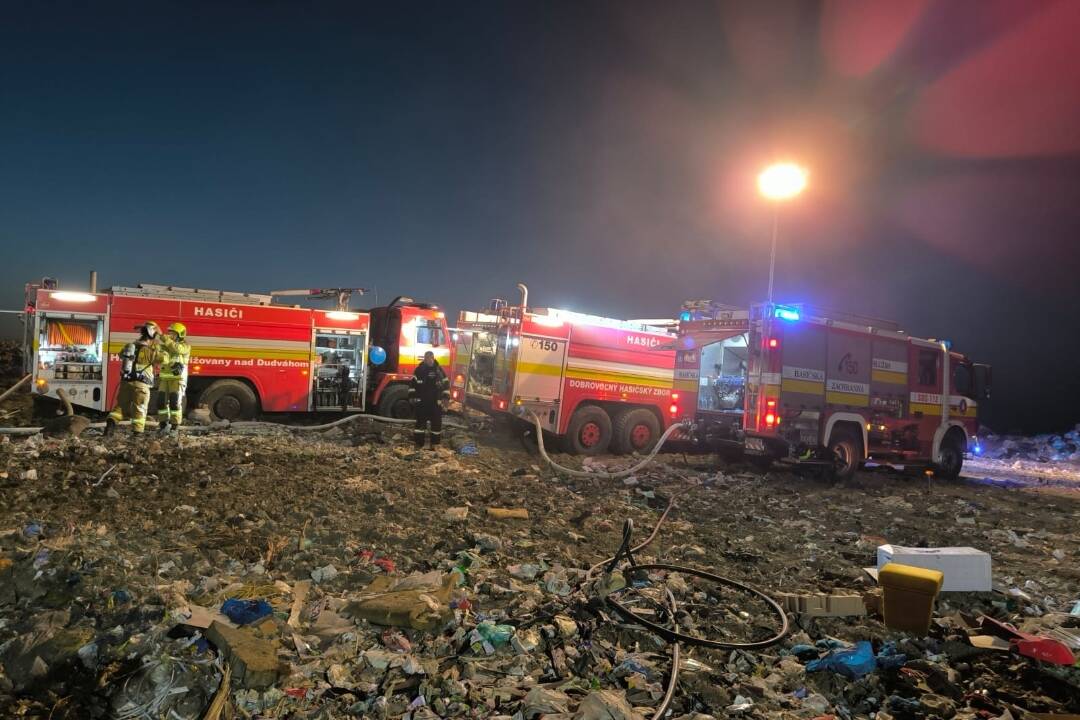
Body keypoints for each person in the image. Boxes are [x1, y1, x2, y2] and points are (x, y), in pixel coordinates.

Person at [105, 321, 162, 436]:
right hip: (141, 384)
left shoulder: (130, 346)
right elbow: (163, 360)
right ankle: (137, 434)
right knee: (140, 408)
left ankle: (110, 426)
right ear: (152, 335)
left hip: (126, 381)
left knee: (120, 406)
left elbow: (121, 355)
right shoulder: (152, 350)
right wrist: (158, 342)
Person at [409, 350, 449, 448]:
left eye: (431, 358)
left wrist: (446, 398)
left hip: (436, 403)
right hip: (422, 403)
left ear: (433, 358)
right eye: (427, 358)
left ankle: (435, 444)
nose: (429, 360)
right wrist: (412, 397)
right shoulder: (419, 370)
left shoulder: (439, 370)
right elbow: (412, 385)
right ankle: (419, 443)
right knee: (420, 425)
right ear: (424, 359)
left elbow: (446, 385)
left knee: (436, 425)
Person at [157, 322, 191, 432]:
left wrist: (163, 337)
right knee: (161, 402)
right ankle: (163, 425)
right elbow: (158, 350)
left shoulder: (185, 346)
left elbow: (177, 349)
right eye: (169, 333)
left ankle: (175, 427)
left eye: (173, 334)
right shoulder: (166, 345)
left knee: (175, 403)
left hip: (178, 379)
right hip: (164, 378)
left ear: (180, 334)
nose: (170, 335)